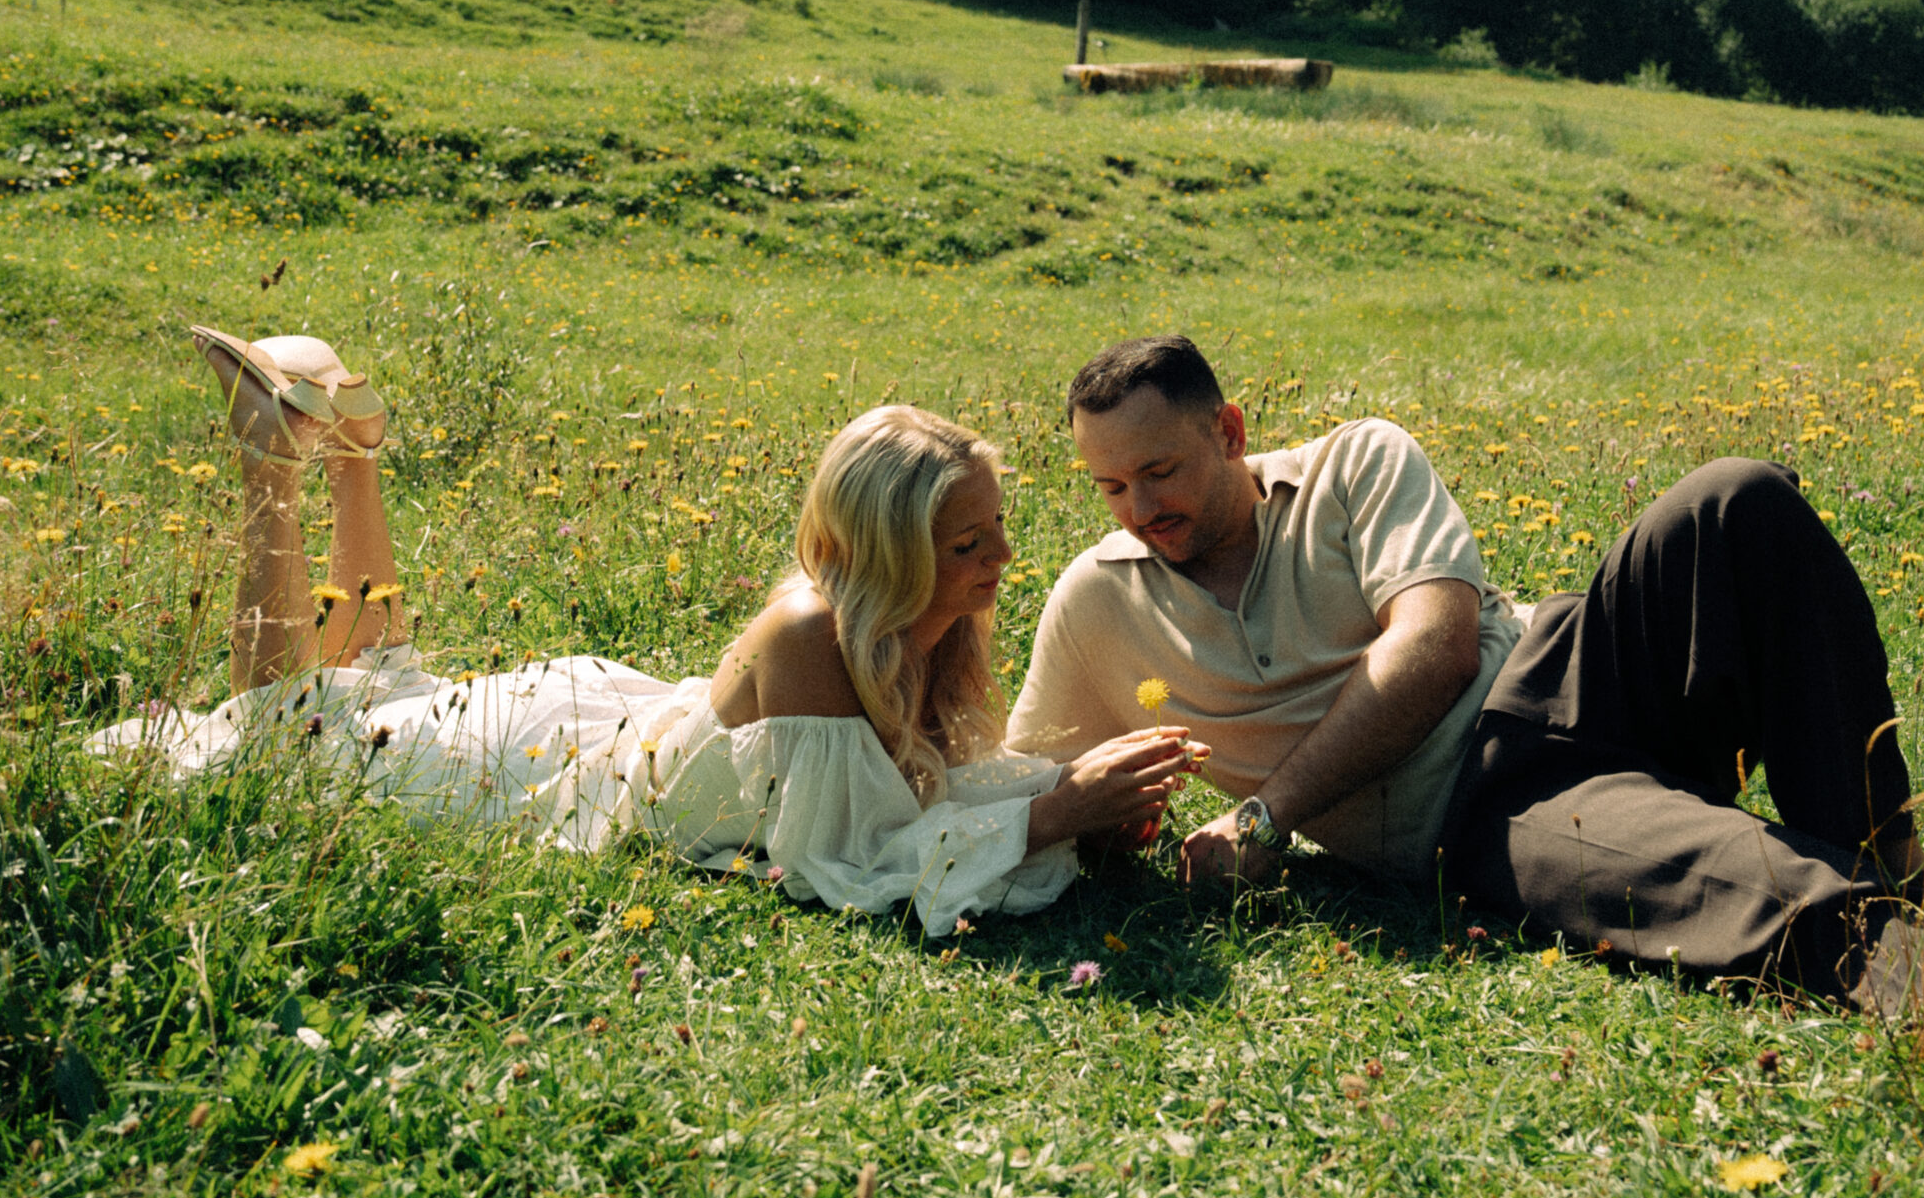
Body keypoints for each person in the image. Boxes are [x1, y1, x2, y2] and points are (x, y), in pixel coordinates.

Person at [1010, 334, 1924, 1024]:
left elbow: (1436, 645)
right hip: (1489, 808)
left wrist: (1264, 818)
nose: (1139, 506)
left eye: (1158, 469)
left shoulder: (1355, 460)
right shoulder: (1098, 601)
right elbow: (1021, 782)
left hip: (1563, 663)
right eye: (1109, 487)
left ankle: (1890, 853)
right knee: (1740, 874)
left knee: (1733, 499)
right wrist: (1097, 813)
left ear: (1230, 430)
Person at [94, 329, 1194, 937]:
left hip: (597, 727)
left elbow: (918, 790)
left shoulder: (925, 625)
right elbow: (848, 860)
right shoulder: (810, 631)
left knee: (371, 695)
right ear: (889, 550)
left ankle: (351, 447)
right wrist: (1055, 809)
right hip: (550, 769)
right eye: (966, 544)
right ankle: (271, 467)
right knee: (283, 733)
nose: (1001, 560)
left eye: (995, 528)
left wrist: (1064, 787)